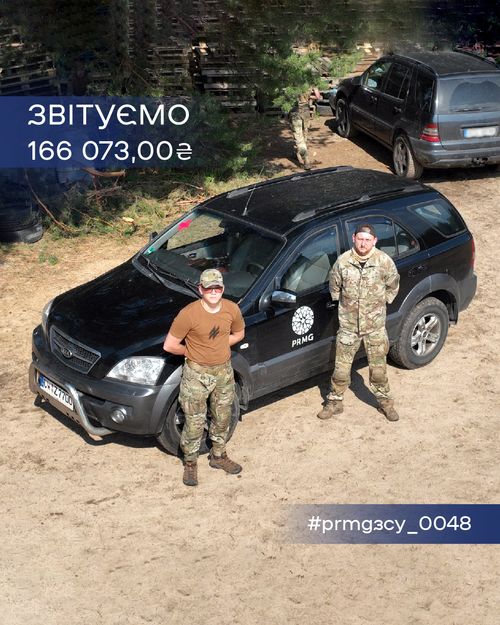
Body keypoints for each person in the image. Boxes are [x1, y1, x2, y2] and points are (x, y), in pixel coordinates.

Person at [163, 269, 245, 486]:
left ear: (223, 289)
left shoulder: (231, 309)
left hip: (223, 372)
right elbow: (170, 345)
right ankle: (190, 463)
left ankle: (218, 456)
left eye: (217, 288)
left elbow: (239, 333)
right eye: (209, 288)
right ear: (201, 289)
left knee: (223, 416)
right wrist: (192, 352)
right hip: (196, 375)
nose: (213, 292)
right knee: (194, 421)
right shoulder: (188, 314)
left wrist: (219, 345)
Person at [317, 223, 400, 422]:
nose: (363, 244)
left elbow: (393, 285)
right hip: (349, 327)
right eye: (360, 239)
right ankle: (334, 402)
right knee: (341, 369)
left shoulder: (384, 261)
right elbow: (334, 286)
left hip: (375, 327)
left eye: (367, 240)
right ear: (354, 238)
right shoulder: (343, 262)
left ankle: (385, 403)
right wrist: (344, 307)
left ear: (375, 241)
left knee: (378, 371)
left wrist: (381, 304)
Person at [289, 86, 321, 170]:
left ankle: (306, 161)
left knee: (298, 137)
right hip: (306, 110)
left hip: (295, 111)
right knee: (304, 134)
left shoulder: (291, 82)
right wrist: (308, 96)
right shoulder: (311, 82)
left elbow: (287, 97)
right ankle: (298, 153)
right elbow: (318, 96)